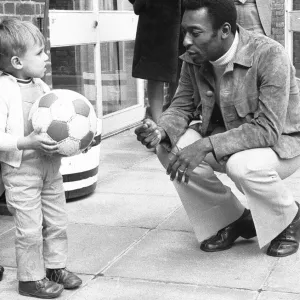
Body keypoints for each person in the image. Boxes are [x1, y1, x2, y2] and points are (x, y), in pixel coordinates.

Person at [135, 0, 300, 258]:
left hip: (280, 146)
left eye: (195, 32)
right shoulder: (194, 58)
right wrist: (160, 131)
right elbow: (181, 107)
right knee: (168, 147)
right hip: (228, 143)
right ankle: (232, 218)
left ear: (224, 30)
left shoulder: (269, 55)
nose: (187, 41)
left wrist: (205, 145)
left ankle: (290, 216)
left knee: (240, 165)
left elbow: (268, 130)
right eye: (184, 32)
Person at [0, 18, 82, 298]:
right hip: (21, 173)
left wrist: (75, 141)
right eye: (39, 52)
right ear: (17, 61)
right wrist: (26, 141)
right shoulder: (3, 90)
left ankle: (55, 267)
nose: (47, 57)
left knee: (58, 222)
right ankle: (30, 278)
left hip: (50, 170)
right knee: (30, 229)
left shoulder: (43, 88)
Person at [128, 0, 185, 122]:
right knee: (154, 74)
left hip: (185, 17)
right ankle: (158, 123)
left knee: (182, 73)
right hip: (154, 20)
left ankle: (175, 121)